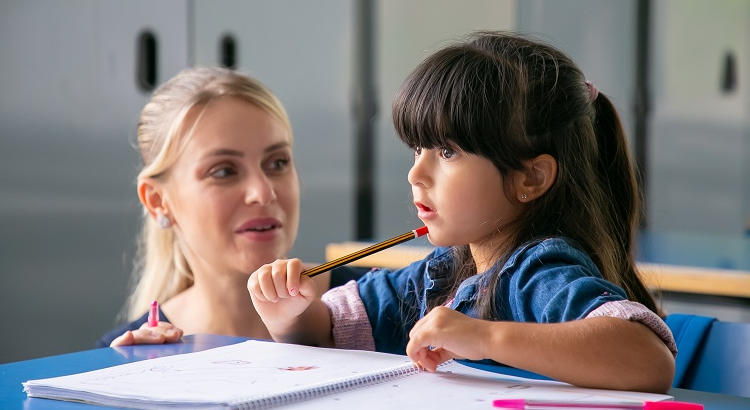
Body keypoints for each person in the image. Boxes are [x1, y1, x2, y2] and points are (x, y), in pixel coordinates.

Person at [246, 32, 677, 393]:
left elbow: (647, 360)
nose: (416, 173)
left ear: (530, 179)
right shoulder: (443, 272)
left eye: (447, 151)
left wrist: (484, 337)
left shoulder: (539, 270)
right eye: (418, 148)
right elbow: (329, 333)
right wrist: (291, 316)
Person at [98, 67, 342, 347]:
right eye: (224, 171)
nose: (263, 193)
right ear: (157, 201)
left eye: (277, 163)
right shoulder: (122, 356)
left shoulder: (385, 304)